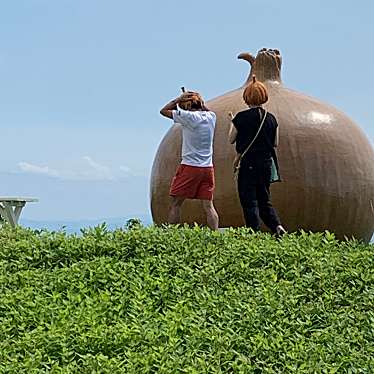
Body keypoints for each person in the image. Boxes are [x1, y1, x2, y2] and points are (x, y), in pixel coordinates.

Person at [229, 76, 286, 236]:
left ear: (246, 98)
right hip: (266, 164)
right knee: (264, 200)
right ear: (264, 97)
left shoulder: (240, 117)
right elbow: (275, 142)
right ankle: (277, 226)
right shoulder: (271, 119)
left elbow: (231, 139)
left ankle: (253, 232)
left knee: (249, 200)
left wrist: (232, 122)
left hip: (248, 164)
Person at [160, 90, 219, 230]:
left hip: (190, 166)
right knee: (209, 206)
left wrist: (178, 99)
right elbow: (205, 109)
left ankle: (172, 235)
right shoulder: (212, 117)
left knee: (176, 203)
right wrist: (198, 101)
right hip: (207, 168)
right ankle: (215, 235)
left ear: (187, 106)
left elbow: (164, 111)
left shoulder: (189, 117)